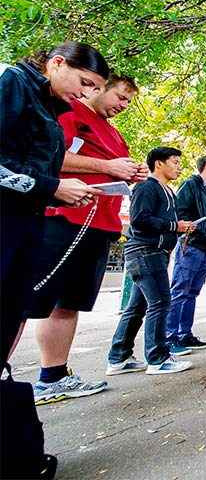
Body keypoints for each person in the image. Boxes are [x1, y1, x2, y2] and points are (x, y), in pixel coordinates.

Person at [1, 40, 108, 480]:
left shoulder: (53, 108)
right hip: (8, 216)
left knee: (10, 313)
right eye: (84, 83)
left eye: (93, 89)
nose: (84, 95)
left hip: (29, 221)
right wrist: (50, 187)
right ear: (57, 63)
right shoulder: (14, 83)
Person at [25, 73, 147, 406]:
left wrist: (131, 172)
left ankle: (54, 374)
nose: (122, 106)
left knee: (70, 302)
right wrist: (107, 165)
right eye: (120, 97)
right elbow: (51, 157)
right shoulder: (70, 114)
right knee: (35, 300)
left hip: (98, 223)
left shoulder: (116, 136)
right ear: (97, 88)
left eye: (128, 102)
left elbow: (115, 170)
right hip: (64, 218)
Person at [106, 147, 195, 376]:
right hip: (145, 252)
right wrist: (175, 226)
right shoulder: (146, 187)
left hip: (156, 252)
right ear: (159, 163)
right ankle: (158, 358)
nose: (178, 167)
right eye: (174, 162)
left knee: (137, 307)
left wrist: (180, 226)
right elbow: (140, 219)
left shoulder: (168, 192)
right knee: (161, 302)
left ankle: (119, 357)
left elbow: (162, 221)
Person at [165, 155, 206, 352]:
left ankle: (185, 334)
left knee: (192, 293)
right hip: (191, 245)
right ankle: (169, 338)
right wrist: (191, 228)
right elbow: (180, 210)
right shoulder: (190, 184)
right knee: (180, 291)